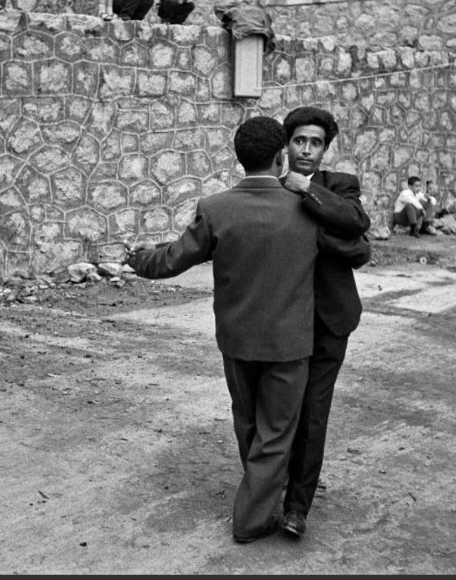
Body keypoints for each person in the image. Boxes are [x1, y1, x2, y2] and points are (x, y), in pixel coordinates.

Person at [126, 116, 321, 544]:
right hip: (290, 344)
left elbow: (171, 260)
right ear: (280, 155)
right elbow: (353, 247)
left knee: (247, 422)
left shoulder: (215, 208)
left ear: (240, 160)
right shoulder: (309, 206)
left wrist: (137, 258)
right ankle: (252, 519)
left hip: (237, 340)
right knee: (276, 434)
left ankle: (262, 496)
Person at [278, 106, 371, 538]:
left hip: (328, 320)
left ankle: (297, 507)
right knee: (275, 412)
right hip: (278, 322)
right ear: (287, 144)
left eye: (316, 143)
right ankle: (267, 489)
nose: (307, 150)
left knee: (313, 414)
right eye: (300, 141)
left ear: (326, 149)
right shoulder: (268, 188)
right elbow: (353, 246)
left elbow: (357, 226)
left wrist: (305, 190)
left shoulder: (339, 186)